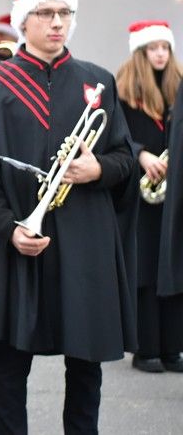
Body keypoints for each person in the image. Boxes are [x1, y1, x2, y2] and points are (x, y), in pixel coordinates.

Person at [0, 0, 137, 435]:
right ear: (23, 21)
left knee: (86, 365)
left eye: (65, 14)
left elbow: (123, 155)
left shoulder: (97, 81)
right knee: (8, 364)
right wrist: (7, 227)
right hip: (19, 238)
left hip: (85, 240)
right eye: (46, 13)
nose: (58, 23)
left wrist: (98, 170)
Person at [115, 20, 183, 373]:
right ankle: (146, 349)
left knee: (173, 266)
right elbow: (115, 135)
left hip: (174, 194)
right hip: (141, 194)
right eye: (153, 48)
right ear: (141, 52)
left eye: (165, 47)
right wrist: (141, 154)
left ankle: (173, 347)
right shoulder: (124, 89)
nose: (160, 54)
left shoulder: (179, 87)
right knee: (145, 271)